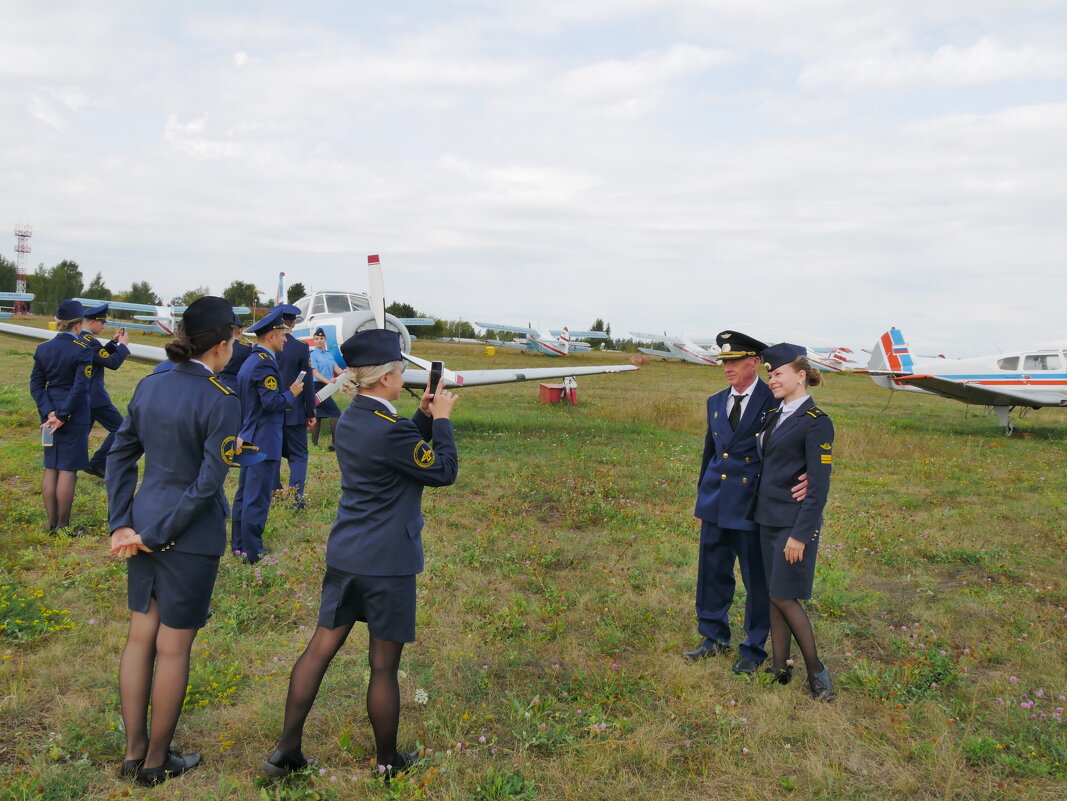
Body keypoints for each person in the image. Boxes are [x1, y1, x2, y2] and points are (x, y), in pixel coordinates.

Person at [263, 329, 458, 779]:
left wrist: (423, 417)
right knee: (383, 666)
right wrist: (443, 421)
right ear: (388, 376)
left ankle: (285, 750)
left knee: (319, 649)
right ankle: (388, 762)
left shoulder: (353, 417)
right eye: (400, 369)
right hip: (387, 562)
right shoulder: (389, 431)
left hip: (348, 554)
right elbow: (442, 471)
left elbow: (398, 446)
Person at [106, 296, 242, 786]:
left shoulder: (150, 383)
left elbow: (119, 455)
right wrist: (156, 533)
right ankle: (157, 763)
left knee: (140, 637)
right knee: (174, 647)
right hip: (187, 533)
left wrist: (122, 523)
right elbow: (207, 484)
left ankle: (133, 752)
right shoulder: (222, 398)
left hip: (142, 521)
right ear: (223, 345)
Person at [687, 331, 806, 674]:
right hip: (715, 502)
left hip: (754, 505)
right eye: (724, 362)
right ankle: (712, 637)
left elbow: (797, 435)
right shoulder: (715, 401)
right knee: (712, 573)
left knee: (757, 581)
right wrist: (701, 499)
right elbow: (710, 453)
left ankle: (753, 649)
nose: (727, 368)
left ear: (755, 362)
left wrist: (809, 472)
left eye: (736, 361)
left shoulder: (775, 399)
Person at [753, 343, 835, 700]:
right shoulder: (776, 414)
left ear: (800, 376)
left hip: (792, 524)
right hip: (767, 517)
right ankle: (779, 667)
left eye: (778, 374)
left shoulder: (817, 423)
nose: (772, 379)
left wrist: (800, 535)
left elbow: (818, 487)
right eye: (769, 374)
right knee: (774, 595)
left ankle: (817, 671)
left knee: (785, 597)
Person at [231, 307, 304, 562]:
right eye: (283, 334)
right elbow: (272, 402)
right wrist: (293, 392)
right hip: (264, 439)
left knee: (244, 494)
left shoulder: (251, 360)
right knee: (258, 497)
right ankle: (253, 551)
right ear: (271, 336)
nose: (286, 338)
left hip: (250, 434)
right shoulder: (264, 365)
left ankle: (239, 545)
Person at [29, 299, 94, 531]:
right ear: (77, 325)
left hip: (48, 416)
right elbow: (79, 388)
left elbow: (36, 385)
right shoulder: (83, 351)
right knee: (67, 468)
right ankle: (64, 526)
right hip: (73, 415)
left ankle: (50, 525)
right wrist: (63, 415)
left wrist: (49, 412)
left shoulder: (43, 349)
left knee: (51, 465)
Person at [79, 303, 131, 479]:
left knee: (81, 433)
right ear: (93, 322)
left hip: (84, 395)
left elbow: (99, 357)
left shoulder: (82, 339)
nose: (103, 326)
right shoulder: (91, 342)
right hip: (95, 397)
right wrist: (123, 346)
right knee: (121, 428)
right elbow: (112, 363)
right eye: (102, 322)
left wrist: (113, 343)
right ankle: (97, 463)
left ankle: (71, 468)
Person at [273, 305, 316, 508]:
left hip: (270, 411)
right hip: (294, 411)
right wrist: (310, 411)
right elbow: (306, 383)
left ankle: (274, 493)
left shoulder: (262, 347)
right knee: (299, 456)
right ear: (294, 323)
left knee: (271, 454)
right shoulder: (300, 348)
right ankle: (296, 498)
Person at [309, 328, 343, 451]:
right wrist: (328, 381)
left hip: (326, 386)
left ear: (325, 340)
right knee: (336, 413)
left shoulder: (329, 354)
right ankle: (334, 444)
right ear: (313, 340)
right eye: (316, 339)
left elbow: (337, 368)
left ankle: (314, 445)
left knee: (317, 416)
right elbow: (315, 372)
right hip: (317, 387)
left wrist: (344, 372)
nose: (319, 341)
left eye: (321, 338)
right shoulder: (312, 355)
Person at [218, 320, 253, 391]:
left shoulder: (219, 345)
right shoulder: (246, 348)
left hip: (220, 385)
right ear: (240, 330)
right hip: (239, 387)